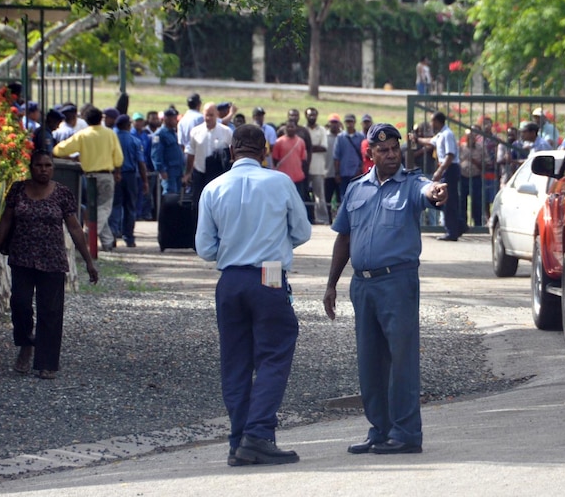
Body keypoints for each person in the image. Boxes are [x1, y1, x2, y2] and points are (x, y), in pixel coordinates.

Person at [323, 123, 448, 455]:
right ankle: (380, 428)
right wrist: (331, 284)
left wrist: (436, 192)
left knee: (401, 359)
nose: (391, 154)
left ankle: (406, 433)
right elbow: (344, 238)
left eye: (395, 149)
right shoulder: (356, 189)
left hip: (397, 282)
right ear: (371, 154)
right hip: (362, 285)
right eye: (383, 150)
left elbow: (427, 192)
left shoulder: (411, 184)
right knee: (370, 362)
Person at [195, 124, 311, 467]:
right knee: (274, 354)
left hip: (230, 278)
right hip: (270, 274)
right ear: (265, 151)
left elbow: (204, 248)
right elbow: (302, 232)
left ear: (231, 151)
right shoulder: (280, 183)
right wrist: (272, 243)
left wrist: (234, 247)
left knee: (236, 361)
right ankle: (259, 434)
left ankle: (238, 440)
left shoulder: (213, 187)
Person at [0, 150, 99, 379]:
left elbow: (75, 228)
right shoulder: (18, 190)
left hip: (52, 260)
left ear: (53, 168)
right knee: (20, 305)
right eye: (39, 165)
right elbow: (6, 220)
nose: (43, 169)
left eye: (48, 165)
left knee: (50, 312)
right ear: (31, 167)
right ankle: (26, 342)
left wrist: (88, 261)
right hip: (22, 258)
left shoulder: (62, 193)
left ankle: (47, 362)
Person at [53, 106, 124, 252]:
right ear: (101, 119)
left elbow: (59, 150)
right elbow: (118, 157)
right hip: (106, 175)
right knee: (104, 207)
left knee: (94, 209)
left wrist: (67, 155)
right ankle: (89, 234)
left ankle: (108, 241)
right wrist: (117, 171)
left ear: (86, 120)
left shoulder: (83, 134)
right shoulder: (109, 134)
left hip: (88, 177)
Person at [410, 111, 463, 240]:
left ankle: (452, 232)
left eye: (432, 121)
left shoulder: (447, 134)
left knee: (447, 199)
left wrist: (440, 170)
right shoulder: (440, 134)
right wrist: (416, 139)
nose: (431, 124)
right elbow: (429, 141)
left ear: (438, 121)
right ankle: (460, 225)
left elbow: (450, 155)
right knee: (449, 199)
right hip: (446, 168)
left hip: (449, 168)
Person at [184, 103, 233, 237]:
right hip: (200, 172)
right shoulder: (195, 131)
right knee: (197, 205)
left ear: (217, 115)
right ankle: (198, 237)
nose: (208, 118)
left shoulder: (226, 132)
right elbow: (191, 153)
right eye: (206, 115)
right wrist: (187, 173)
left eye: (211, 115)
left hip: (218, 175)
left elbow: (232, 155)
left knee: (219, 206)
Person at [111, 114, 149, 248]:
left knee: (115, 206)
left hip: (115, 175)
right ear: (128, 125)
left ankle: (113, 235)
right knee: (130, 207)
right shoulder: (135, 141)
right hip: (131, 176)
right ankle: (129, 238)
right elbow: (141, 163)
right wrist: (145, 181)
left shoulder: (113, 139)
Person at [272, 115, 309, 208]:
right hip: (283, 178)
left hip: (298, 178)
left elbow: (303, 159)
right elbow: (275, 159)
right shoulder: (279, 142)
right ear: (285, 128)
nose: (290, 129)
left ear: (295, 128)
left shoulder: (301, 142)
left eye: (292, 127)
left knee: (298, 201)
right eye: (288, 127)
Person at [305, 106, 330, 224]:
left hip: (319, 168)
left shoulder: (322, 130)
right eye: (310, 115)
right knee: (303, 195)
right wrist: (313, 147)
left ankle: (322, 219)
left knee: (320, 196)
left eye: (314, 115)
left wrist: (308, 148)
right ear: (306, 116)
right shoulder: (303, 130)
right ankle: (307, 218)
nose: (312, 117)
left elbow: (324, 147)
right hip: (304, 168)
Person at [152, 107, 184, 195]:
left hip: (177, 169)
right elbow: (156, 155)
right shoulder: (160, 134)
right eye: (173, 118)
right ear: (166, 119)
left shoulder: (173, 133)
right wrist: (161, 170)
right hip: (169, 171)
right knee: (170, 195)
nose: (176, 121)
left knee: (176, 196)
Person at [333, 113, 365, 201]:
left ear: (354, 122)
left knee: (357, 197)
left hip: (357, 172)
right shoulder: (340, 138)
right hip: (344, 173)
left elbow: (363, 156)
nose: (349, 124)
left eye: (351, 122)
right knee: (344, 197)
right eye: (347, 122)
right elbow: (336, 157)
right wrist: (337, 173)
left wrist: (361, 169)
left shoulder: (361, 137)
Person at [324, 113, 342, 219]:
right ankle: (328, 219)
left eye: (336, 123)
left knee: (341, 199)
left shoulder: (343, 137)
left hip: (340, 173)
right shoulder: (325, 137)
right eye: (332, 123)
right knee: (327, 198)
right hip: (327, 172)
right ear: (329, 124)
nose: (334, 125)